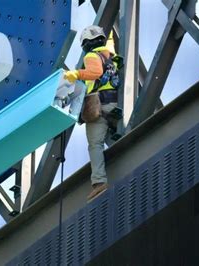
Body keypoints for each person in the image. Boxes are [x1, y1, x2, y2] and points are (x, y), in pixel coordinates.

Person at [64, 25, 122, 201]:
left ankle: (98, 182)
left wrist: (76, 74)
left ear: (86, 43)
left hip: (99, 107)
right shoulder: (110, 58)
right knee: (108, 139)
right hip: (113, 106)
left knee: (94, 145)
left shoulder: (91, 56)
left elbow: (94, 73)